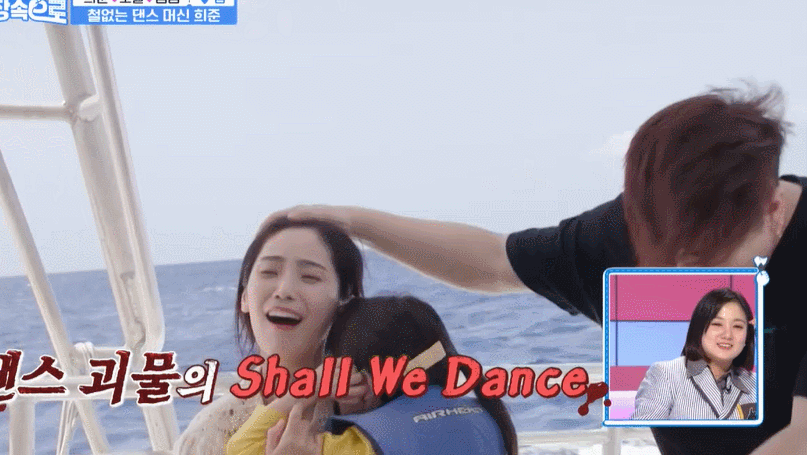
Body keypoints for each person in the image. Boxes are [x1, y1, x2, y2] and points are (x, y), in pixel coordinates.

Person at [263, 84, 807, 454]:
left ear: (773, 212)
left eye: (697, 263)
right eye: (653, 257)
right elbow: (492, 261)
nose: (668, 277)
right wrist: (353, 221)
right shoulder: (636, 231)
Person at [225, 295, 517, 455]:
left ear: (359, 382)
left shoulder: (356, 447)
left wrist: (310, 387)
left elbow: (241, 448)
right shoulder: (490, 417)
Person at [173, 217, 369, 455]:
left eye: (310, 277)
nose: (284, 291)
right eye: (268, 272)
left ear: (345, 302)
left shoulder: (374, 401)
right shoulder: (208, 435)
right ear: (244, 297)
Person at [632, 288, 757, 420]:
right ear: (699, 328)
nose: (727, 335)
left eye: (737, 326)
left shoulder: (756, 384)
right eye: (717, 324)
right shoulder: (667, 374)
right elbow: (645, 430)